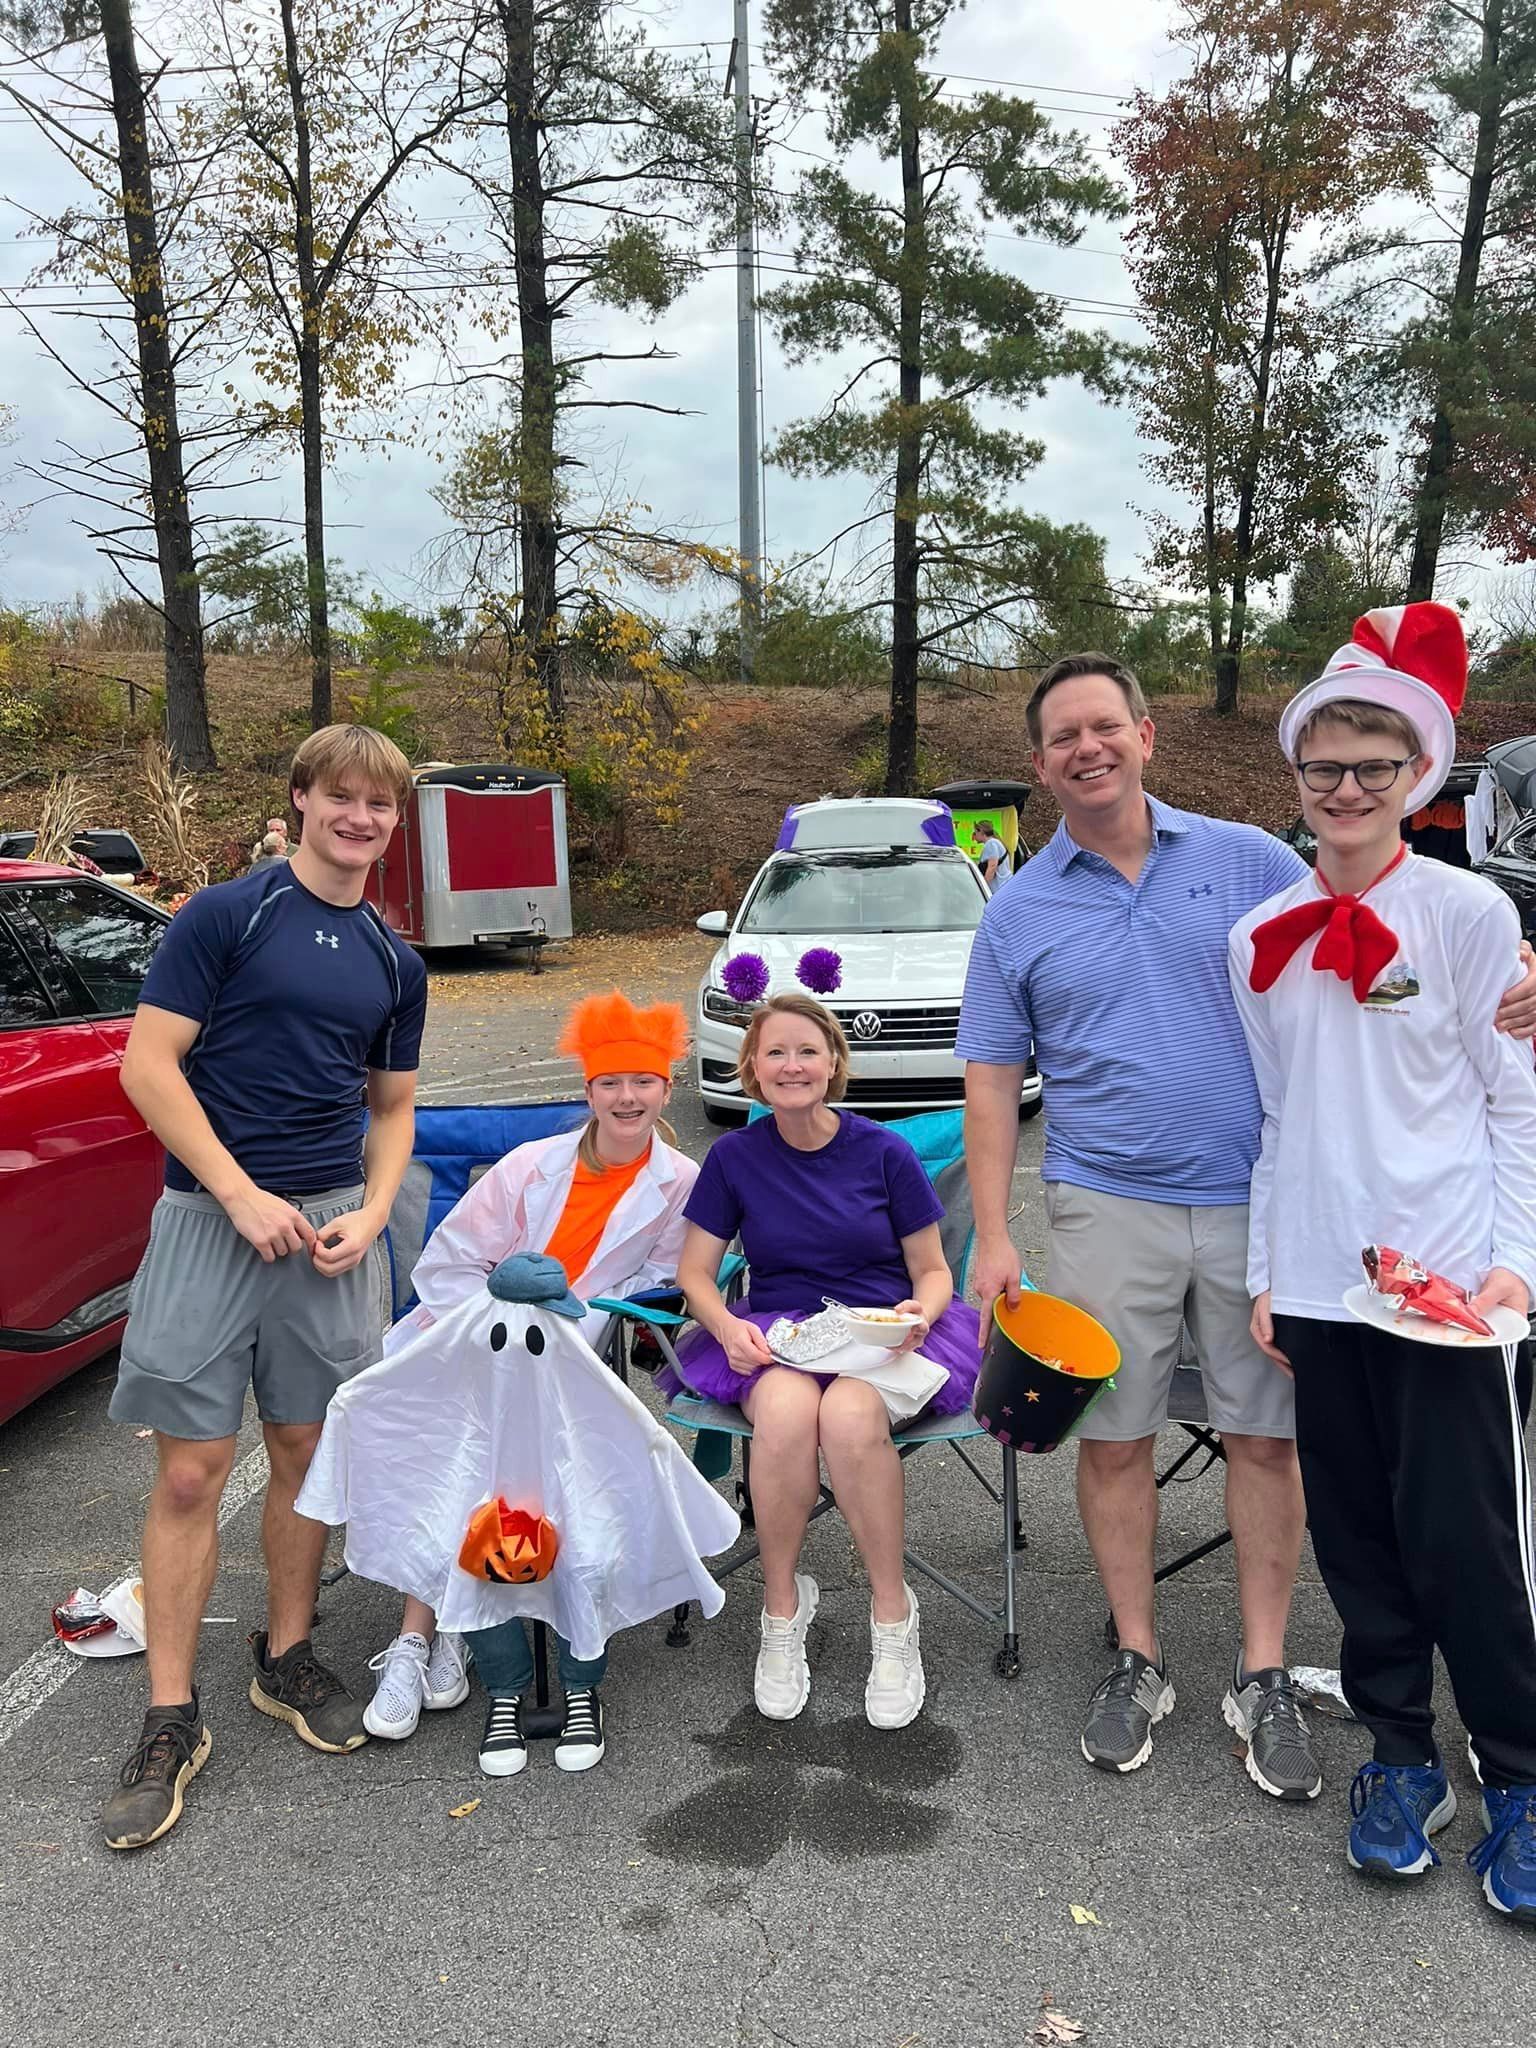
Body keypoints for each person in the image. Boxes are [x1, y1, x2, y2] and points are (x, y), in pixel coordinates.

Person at [957, 652, 1536, 1801]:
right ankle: (1138, 1652)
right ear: (1039, 764)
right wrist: (992, 1228)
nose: (1087, 748)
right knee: (1115, 1437)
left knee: (1267, 1436)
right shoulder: (1015, 909)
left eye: (1104, 726)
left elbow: (1376, 909)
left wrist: (1518, 960)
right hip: (1101, 1198)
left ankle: (1264, 1666)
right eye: (1062, 736)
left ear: (1145, 735)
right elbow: (990, 1074)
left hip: (1256, 1202)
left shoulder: (1247, 861)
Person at [1228, 601, 1536, 1917]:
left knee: (1467, 1537)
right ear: (1297, 782)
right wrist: (1262, 1272)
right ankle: (1399, 1754)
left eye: (1374, 767)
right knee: (1356, 1537)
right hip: (1316, 1283)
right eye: (1323, 769)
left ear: (1417, 779)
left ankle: (1518, 1772)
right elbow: (1278, 1119)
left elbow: (1516, 1103)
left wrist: (1517, 1266)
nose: (1346, 790)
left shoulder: (1471, 917)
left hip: (1453, 1290)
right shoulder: (1255, 943)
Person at [101, 724, 427, 1851]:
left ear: (396, 820)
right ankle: (168, 1713)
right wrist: (237, 1191)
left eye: (380, 805)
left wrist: (375, 1214)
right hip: (208, 1220)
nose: (362, 818)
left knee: (304, 1450)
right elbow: (148, 1065)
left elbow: (390, 1108)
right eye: (341, 797)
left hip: (330, 1229)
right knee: (192, 1471)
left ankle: (284, 1653)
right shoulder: (222, 917)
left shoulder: (396, 959)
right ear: (299, 801)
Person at [362, 990, 698, 1778]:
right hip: (475, 1337)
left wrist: (569, 1310)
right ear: (587, 1091)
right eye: (610, 1081)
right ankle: (424, 1635)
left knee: (522, 1451)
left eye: (643, 1082)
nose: (627, 1097)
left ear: (664, 1090)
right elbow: (445, 1264)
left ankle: (454, 1621)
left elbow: (660, 1282)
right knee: (450, 1442)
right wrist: (504, 1305)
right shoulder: (525, 1169)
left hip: (575, 1351)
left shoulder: (679, 1182)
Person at [673, 993, 981, 1731]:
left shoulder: (884, 1153)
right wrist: (722, 1324)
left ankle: (892, 1613)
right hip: (781, 1331)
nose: (792, 1065)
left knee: (846, 1415)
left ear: (835, 1062)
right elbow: (693, 1274)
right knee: (782, 1411)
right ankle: (781, 1608)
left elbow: (933, 1271)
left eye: (807, 1051)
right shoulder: (733, 1157)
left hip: (883, 1333)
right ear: (751, 1067)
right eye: (774, 1051)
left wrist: (921, 1312)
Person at [971, 819, 1008, 887]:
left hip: (998, 887)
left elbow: (992, 867)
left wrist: (983, 886)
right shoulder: (995, 842)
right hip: (1003, 885)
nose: (974, 836)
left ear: (981, 832)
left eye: (975, 833)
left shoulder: (991, 844)